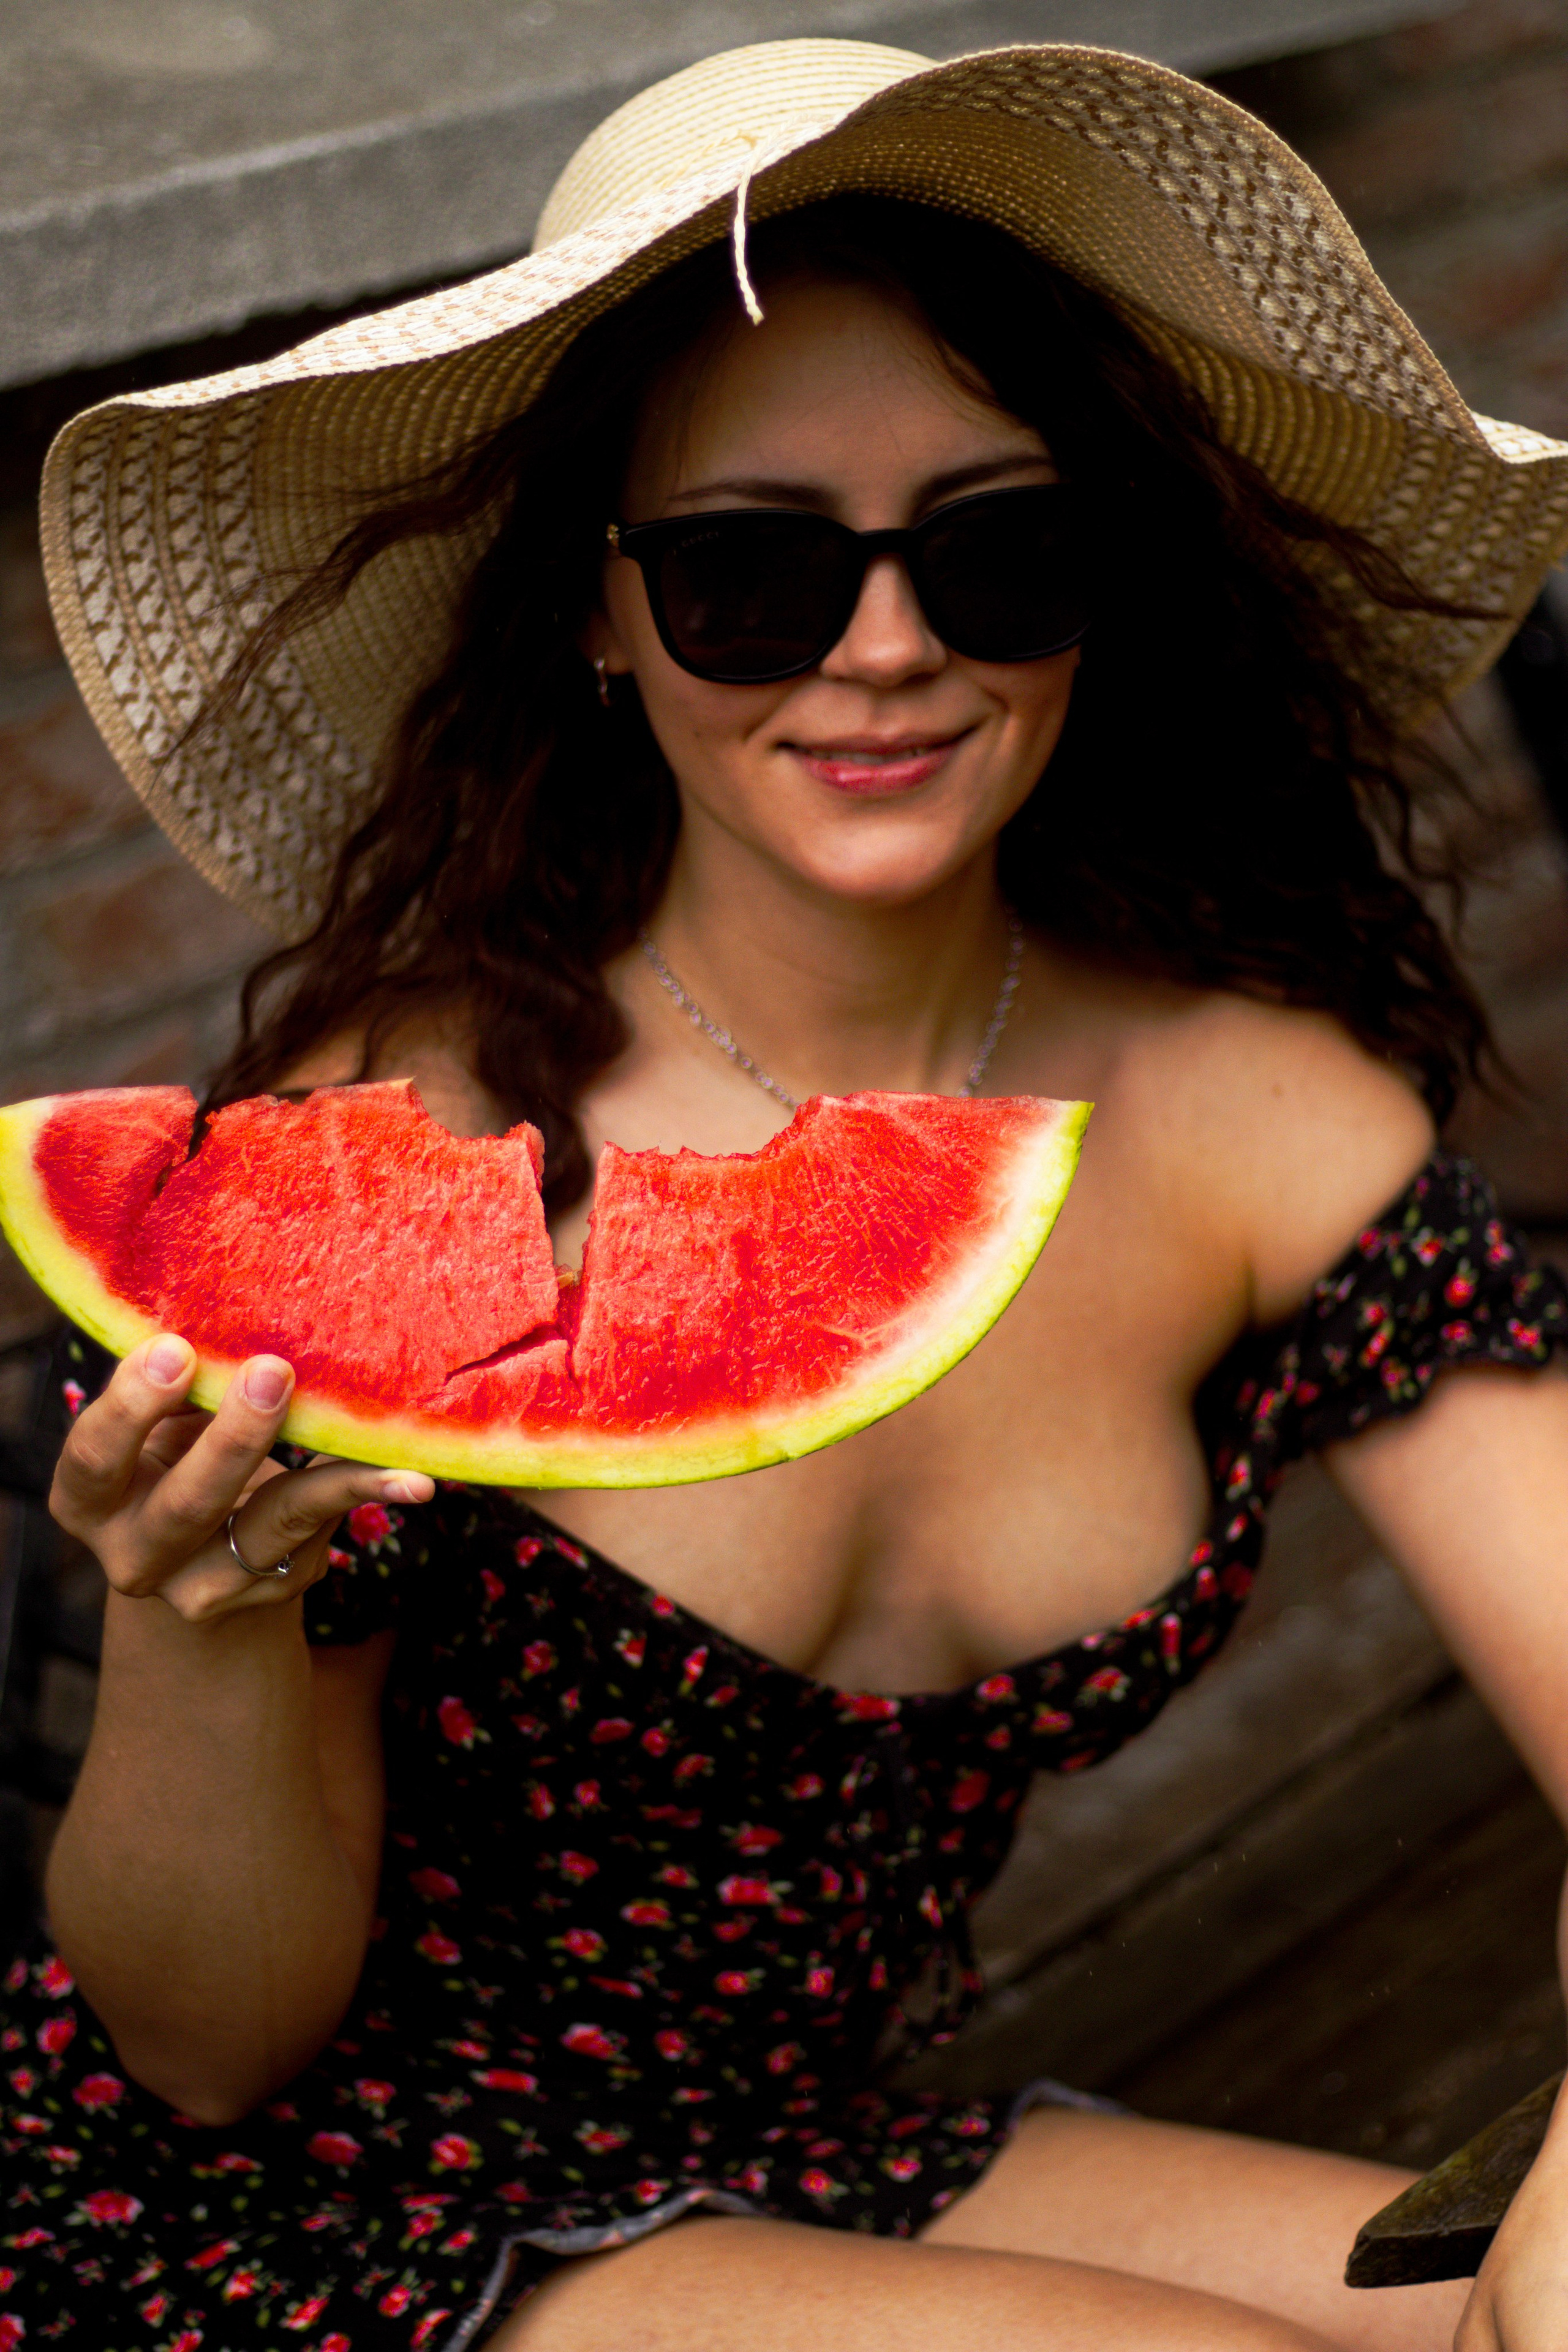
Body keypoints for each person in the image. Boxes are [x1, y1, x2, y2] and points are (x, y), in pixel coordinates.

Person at [6, 33, 1568, 2352]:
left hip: (808, 2150)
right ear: (597, 613)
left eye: (998, 550)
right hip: (303, 2217)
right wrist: (192, 1624)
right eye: (751, 574)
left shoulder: (1258, 1115)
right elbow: (211, 2053)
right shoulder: (411, 1144)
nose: (889, 647)